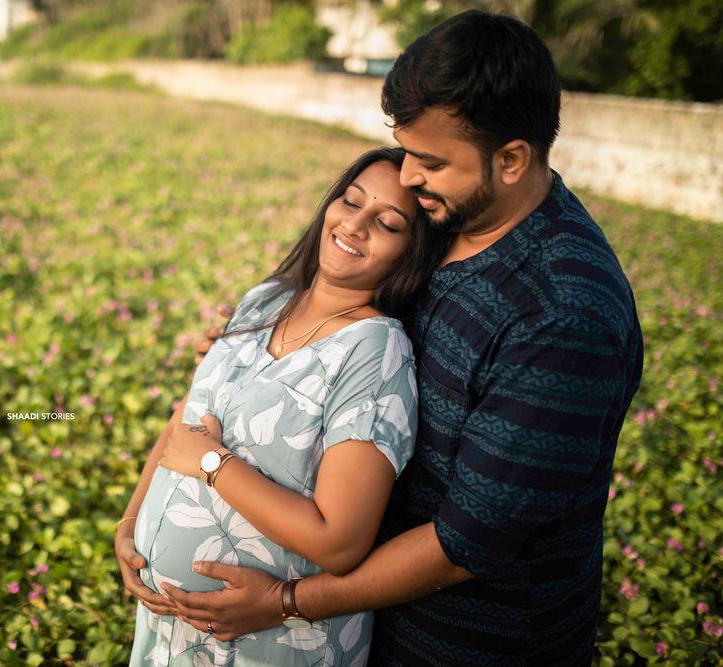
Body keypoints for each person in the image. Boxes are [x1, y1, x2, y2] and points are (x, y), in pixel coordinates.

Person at [129, 9, 645, 666]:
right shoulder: (447, 219)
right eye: (404, 150)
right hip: (369, 622)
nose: (404, 177)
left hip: (469, 643)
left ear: (512, 158)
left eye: (430, 161)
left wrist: (287, 600)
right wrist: (258, 359)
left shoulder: (563, 315)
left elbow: (467, 543)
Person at [115, 147, 452, 666]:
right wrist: (131, 521)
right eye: (350, 201)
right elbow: (188, 422)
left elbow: (339, 541)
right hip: (169, 634)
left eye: (386, 223)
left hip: (269, 645)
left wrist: (213, 466)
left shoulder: (375, 351)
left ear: (411, 255)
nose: (354, 225)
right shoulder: (266, 300)